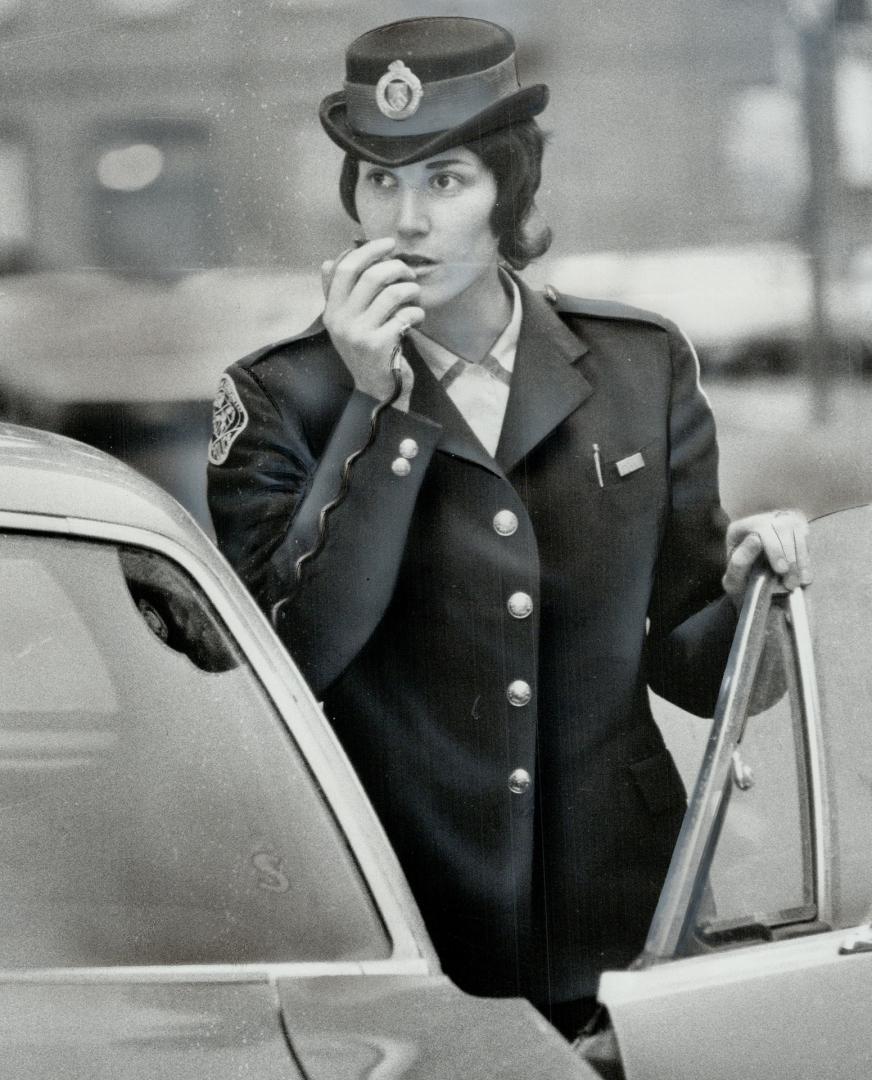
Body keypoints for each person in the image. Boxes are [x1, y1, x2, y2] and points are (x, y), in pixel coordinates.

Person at [207, 16, 810, 1038]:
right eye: (378, 182)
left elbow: (692, 667)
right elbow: (293, 656)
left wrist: (765, 592)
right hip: (402, 922)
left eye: (444, 181)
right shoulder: (281, 397)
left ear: (507, 193)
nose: (405, 222)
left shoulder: (635, 366)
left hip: (621, 919)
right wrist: (379, 407)